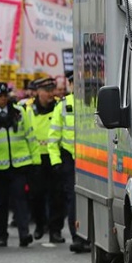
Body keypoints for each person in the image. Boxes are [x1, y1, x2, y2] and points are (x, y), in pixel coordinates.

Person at [0, 82, 37, 247]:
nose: (2, 98)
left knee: (20, 200)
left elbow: (30, 136)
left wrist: (34, 160)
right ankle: (1, 235)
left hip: (19, 164)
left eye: (4, 95)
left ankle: (24, 234)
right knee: (0, 203)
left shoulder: (19, 112)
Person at [49, 72, 89, 253]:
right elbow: (53, 136)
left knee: (89, 199)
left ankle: (89, 236)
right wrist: (56, 161)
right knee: (73, 199)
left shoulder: (92, 102)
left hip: (91, 159)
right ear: (71, 85)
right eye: (74, 83)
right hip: (69, 158)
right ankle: (77, 237)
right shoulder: (63, 106)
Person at [26, 77, 64, 243]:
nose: (51, 94)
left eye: (52, 90)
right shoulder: (27, 108)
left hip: (55, 155)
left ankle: (55, 230)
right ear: (38, 92)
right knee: (37, 195)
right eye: (47, 91)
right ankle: (40, 224)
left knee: (57, 195)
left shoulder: (59, 106)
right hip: (36, 157)